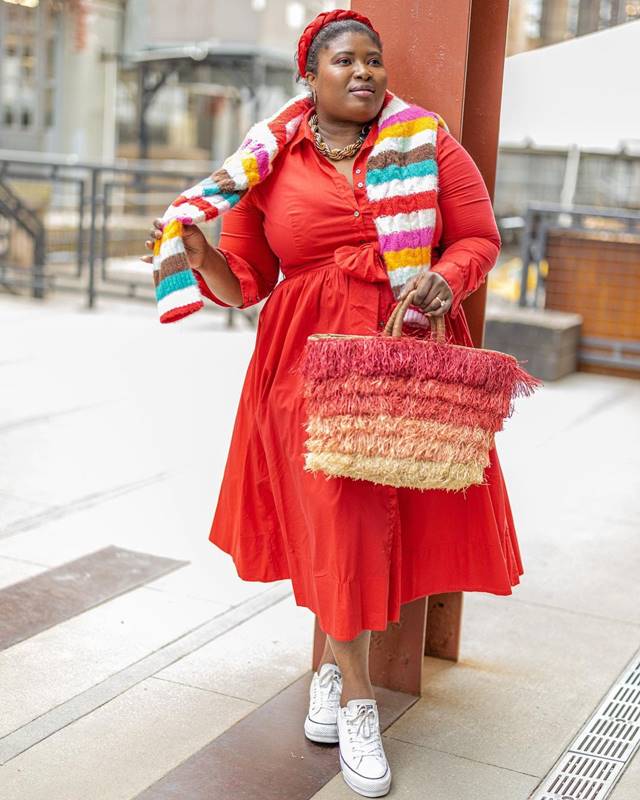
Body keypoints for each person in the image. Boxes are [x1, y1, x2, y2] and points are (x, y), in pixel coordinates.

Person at [143, 10, 523, 799]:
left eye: (374, 61)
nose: (365, 73)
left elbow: (479, 237)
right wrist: (202, 249)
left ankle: (328, 675)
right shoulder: (267, 163)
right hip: (304, 363)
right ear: (307, 78)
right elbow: (244, 281)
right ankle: (356, 699)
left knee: (379, 521)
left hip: (401, 353)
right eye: (344, 61)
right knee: (336, 514)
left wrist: (444, 279)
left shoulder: (428, 140)